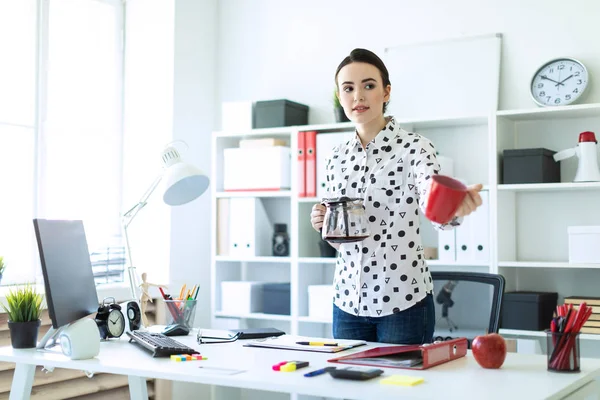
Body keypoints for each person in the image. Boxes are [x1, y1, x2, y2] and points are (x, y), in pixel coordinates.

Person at [310, 48, 483, 345]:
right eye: (348, 89)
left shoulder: (415, 148)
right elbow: (338, 228)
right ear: (340, 97)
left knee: (401, 389)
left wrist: (454, 207)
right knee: (350, 390)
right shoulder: (334, 157)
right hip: (347, 300)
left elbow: (435, 203)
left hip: (402, 301)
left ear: (386, 92)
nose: (358, 96)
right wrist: (322, 221)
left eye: (369, 85)